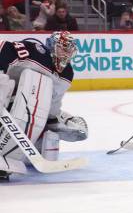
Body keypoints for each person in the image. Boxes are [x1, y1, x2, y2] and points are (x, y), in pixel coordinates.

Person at [0, 31, 87, 180]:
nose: (66, 52)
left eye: (70, 49)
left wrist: (55, 123)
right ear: (52, 46)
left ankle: (14, 160)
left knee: (46, 126)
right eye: (63, 47)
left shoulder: (67, 73)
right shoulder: (36, 51)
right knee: (4, 82)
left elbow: (54, 102)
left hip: (21, 104)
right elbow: (4, 48)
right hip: (7, 95)